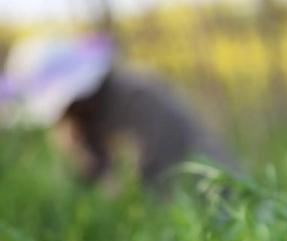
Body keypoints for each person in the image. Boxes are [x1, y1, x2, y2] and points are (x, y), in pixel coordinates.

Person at [0, 33, 233, 189]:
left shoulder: (137, 97)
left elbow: (150, 174)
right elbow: (78, 178)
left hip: (208, 191)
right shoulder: (70, 122)